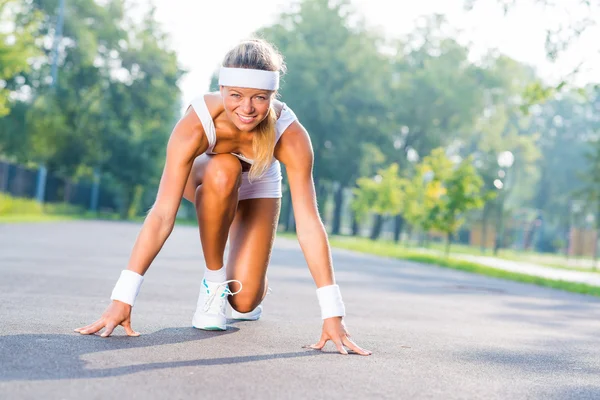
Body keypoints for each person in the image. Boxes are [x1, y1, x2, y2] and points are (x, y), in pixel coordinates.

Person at [74, 38, 371, 356]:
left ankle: (251, 273)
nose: (247, 109)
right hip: (207, 179)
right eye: (236, 96)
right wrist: (123, 298)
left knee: (244, 301)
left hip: (258, 184)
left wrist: (332, 312)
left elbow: (309, 222)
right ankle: (213, 282)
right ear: (222, 89)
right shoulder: (197, 122)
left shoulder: (291, 135)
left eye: (260, 98)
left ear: (272, 95)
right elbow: (162, 213)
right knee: (224, 169)